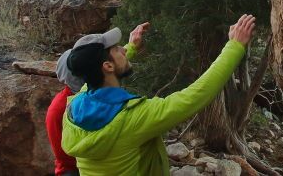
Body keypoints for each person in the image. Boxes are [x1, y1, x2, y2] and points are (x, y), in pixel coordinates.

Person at [61, 14, 256, 175]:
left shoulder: (74, 107)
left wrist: (131, 47)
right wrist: (234, 46)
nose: (122, 49)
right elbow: (195, 96)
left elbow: (100, 75)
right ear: (108, 66)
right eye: (116, 49)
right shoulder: (133, 118)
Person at [46, 23, 149, 176]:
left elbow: (109, 64)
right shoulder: (59, 109)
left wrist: (131, 46)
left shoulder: (91, 93)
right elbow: (64, 159)